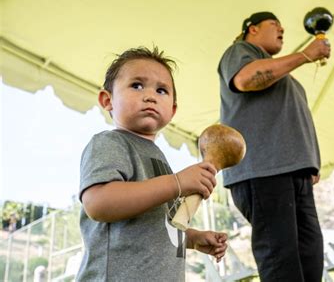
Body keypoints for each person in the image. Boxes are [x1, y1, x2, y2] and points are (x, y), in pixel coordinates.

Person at [77, 46, 227, 281]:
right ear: (107, 100)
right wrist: (177, 182)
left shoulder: (158, 159)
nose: (150, 96)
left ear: (173, 109)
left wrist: (194, 238)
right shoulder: (110, 143)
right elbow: (98, 203)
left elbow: (159, 226)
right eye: (137, 85)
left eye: (162, 90)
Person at [217, 11, 331, 281]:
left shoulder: (286, 78)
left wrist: (311, 161)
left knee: (310, 259)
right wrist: (304, 55)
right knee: (282, 262)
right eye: (274, 25)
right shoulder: (239, 51)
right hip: (263, 171)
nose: (282, 29)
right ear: (252, 29)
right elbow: (246, 79)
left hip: (296, 173)